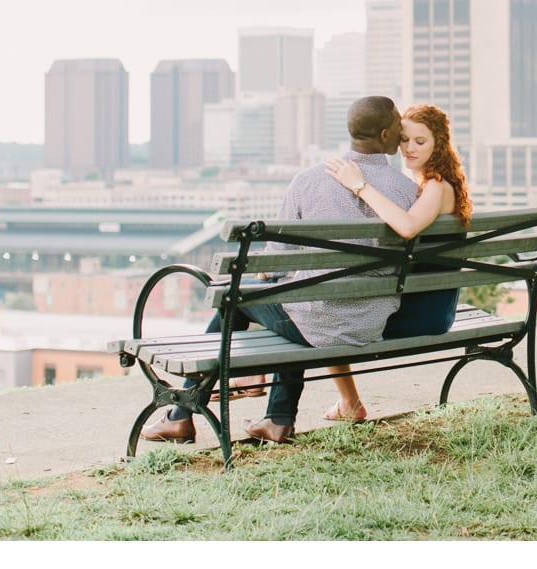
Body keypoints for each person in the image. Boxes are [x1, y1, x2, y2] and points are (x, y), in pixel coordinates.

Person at [140, 95, 416, 446]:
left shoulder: (308, 181)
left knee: (234, 300)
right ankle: (276, 419)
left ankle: (181, 414)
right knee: (293, 301)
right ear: (384, 135)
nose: (401, 131)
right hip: (371, 321)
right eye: (398, 126)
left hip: (318, 321)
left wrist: (277, 278)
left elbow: (276, 261)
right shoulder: (405, 191)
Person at [320, 103, 472, 421]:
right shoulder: (432, 185)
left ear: (439, 144)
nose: (409, 148)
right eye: (405, 140)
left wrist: (358, 185)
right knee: (325, 301)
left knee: (325, 311)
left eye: (421, 141)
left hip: (423, 312)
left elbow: (406, 226)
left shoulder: (437, 186)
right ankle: (348, 403)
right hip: (426, 302)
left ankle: (349, 404)